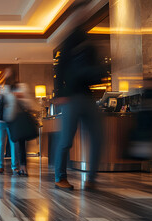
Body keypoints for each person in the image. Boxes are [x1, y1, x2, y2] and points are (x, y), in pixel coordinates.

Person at [53, 27, 105, 190]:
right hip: (71, 97)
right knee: (66, 140)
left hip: (87, 97)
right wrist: (60, 93)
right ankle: (60, 177)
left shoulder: (90, 47)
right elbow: (59, 71)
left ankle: (91, 179)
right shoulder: (67, 47)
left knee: (97, 138)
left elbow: (95, 74)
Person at [0, 67, 19, 174]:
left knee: (14, 144)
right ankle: (0, 166)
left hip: (12, 120)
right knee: (1, 144)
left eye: (9, 73)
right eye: (6, 73)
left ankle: (15, 166)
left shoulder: (17, 88)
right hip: (0, 121)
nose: (7, 75)